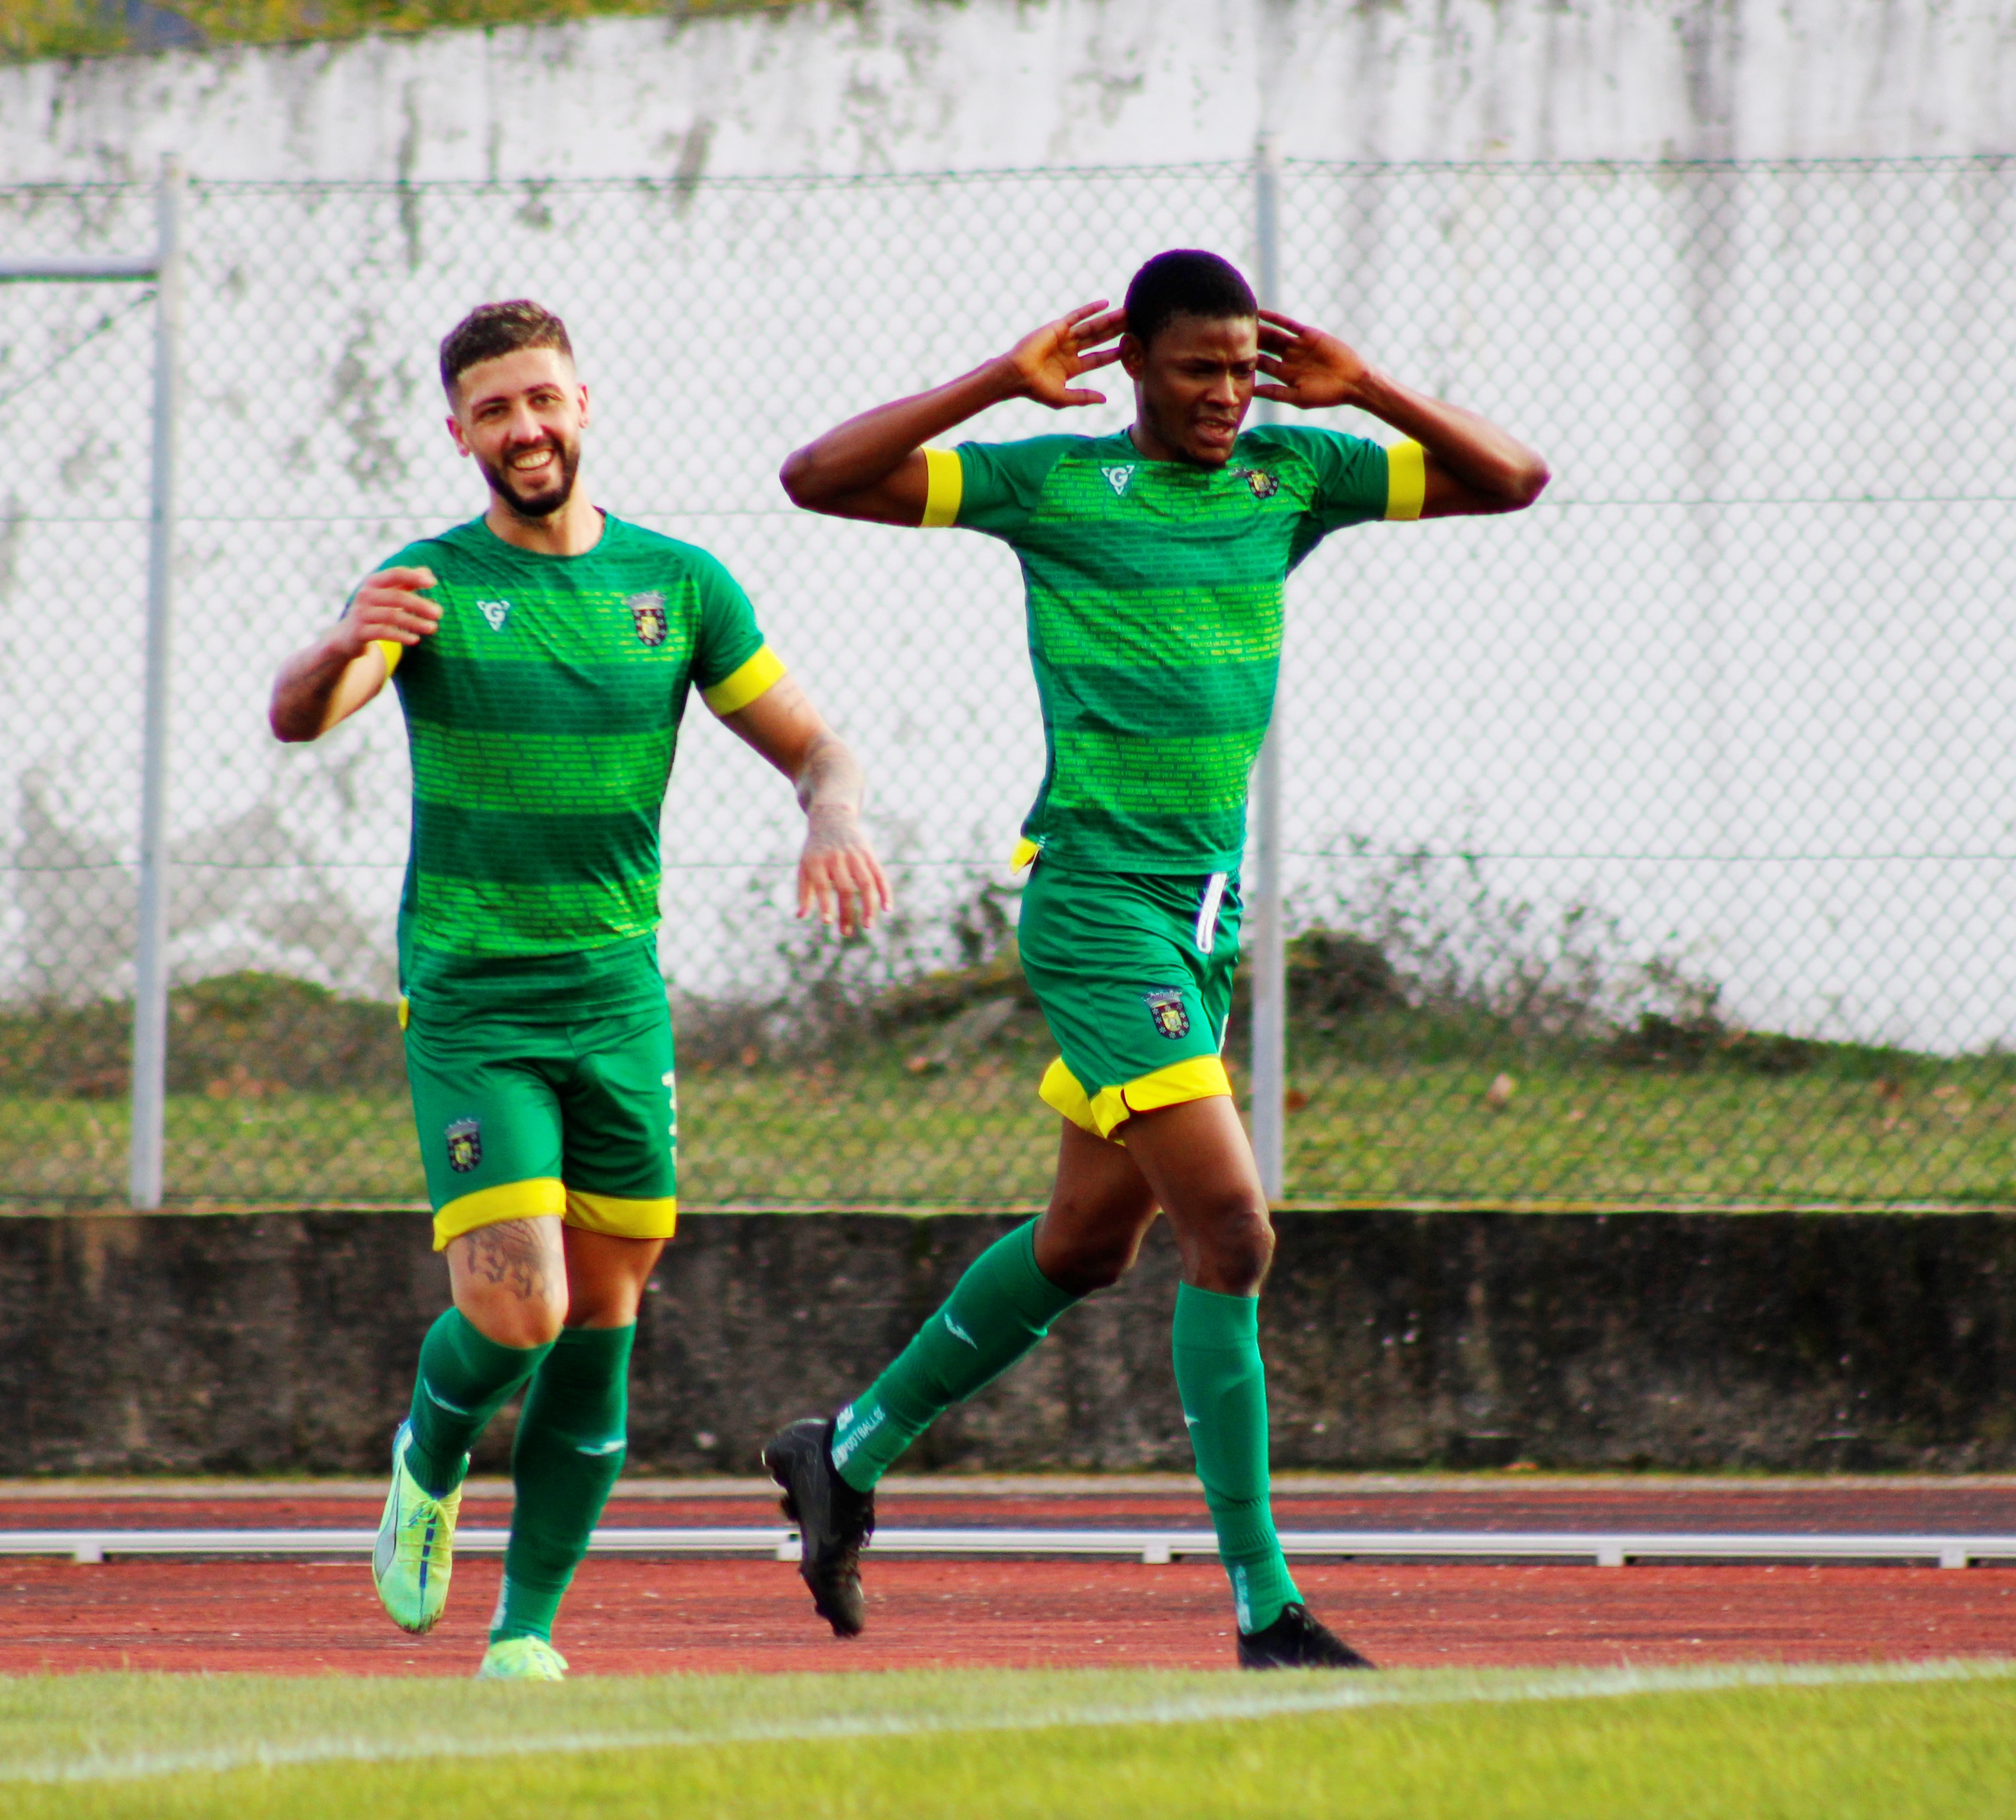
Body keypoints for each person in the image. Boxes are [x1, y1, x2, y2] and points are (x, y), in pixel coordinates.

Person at [764, 248, 1548, 1667]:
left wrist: (1367, 387)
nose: (1227, 396)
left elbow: (1514, 480)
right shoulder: (1054, 484)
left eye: (1245, 370)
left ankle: (848, 1448)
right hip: (1096, 910)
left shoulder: (1292, 477)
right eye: (1198, 369)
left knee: (1082, 1245)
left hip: (1199, 931)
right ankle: (1264, 1608)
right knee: (1235, 1231)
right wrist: (998, 382)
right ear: (1131, 363)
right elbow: (818, 476)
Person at [269, 298, 890, 1680]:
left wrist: (833, 811)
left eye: (541, 399)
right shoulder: (423, 587)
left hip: (618, 1003)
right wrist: (334, 643)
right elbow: (304, 712)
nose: (524, 428)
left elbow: (813, 745)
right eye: (493, 409)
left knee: (605, 1320)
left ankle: (527, 1633)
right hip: (479, 1001)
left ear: (583, 403)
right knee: (519, 1309)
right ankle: (429, 1447)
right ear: (459, 433)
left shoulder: (680, 584)